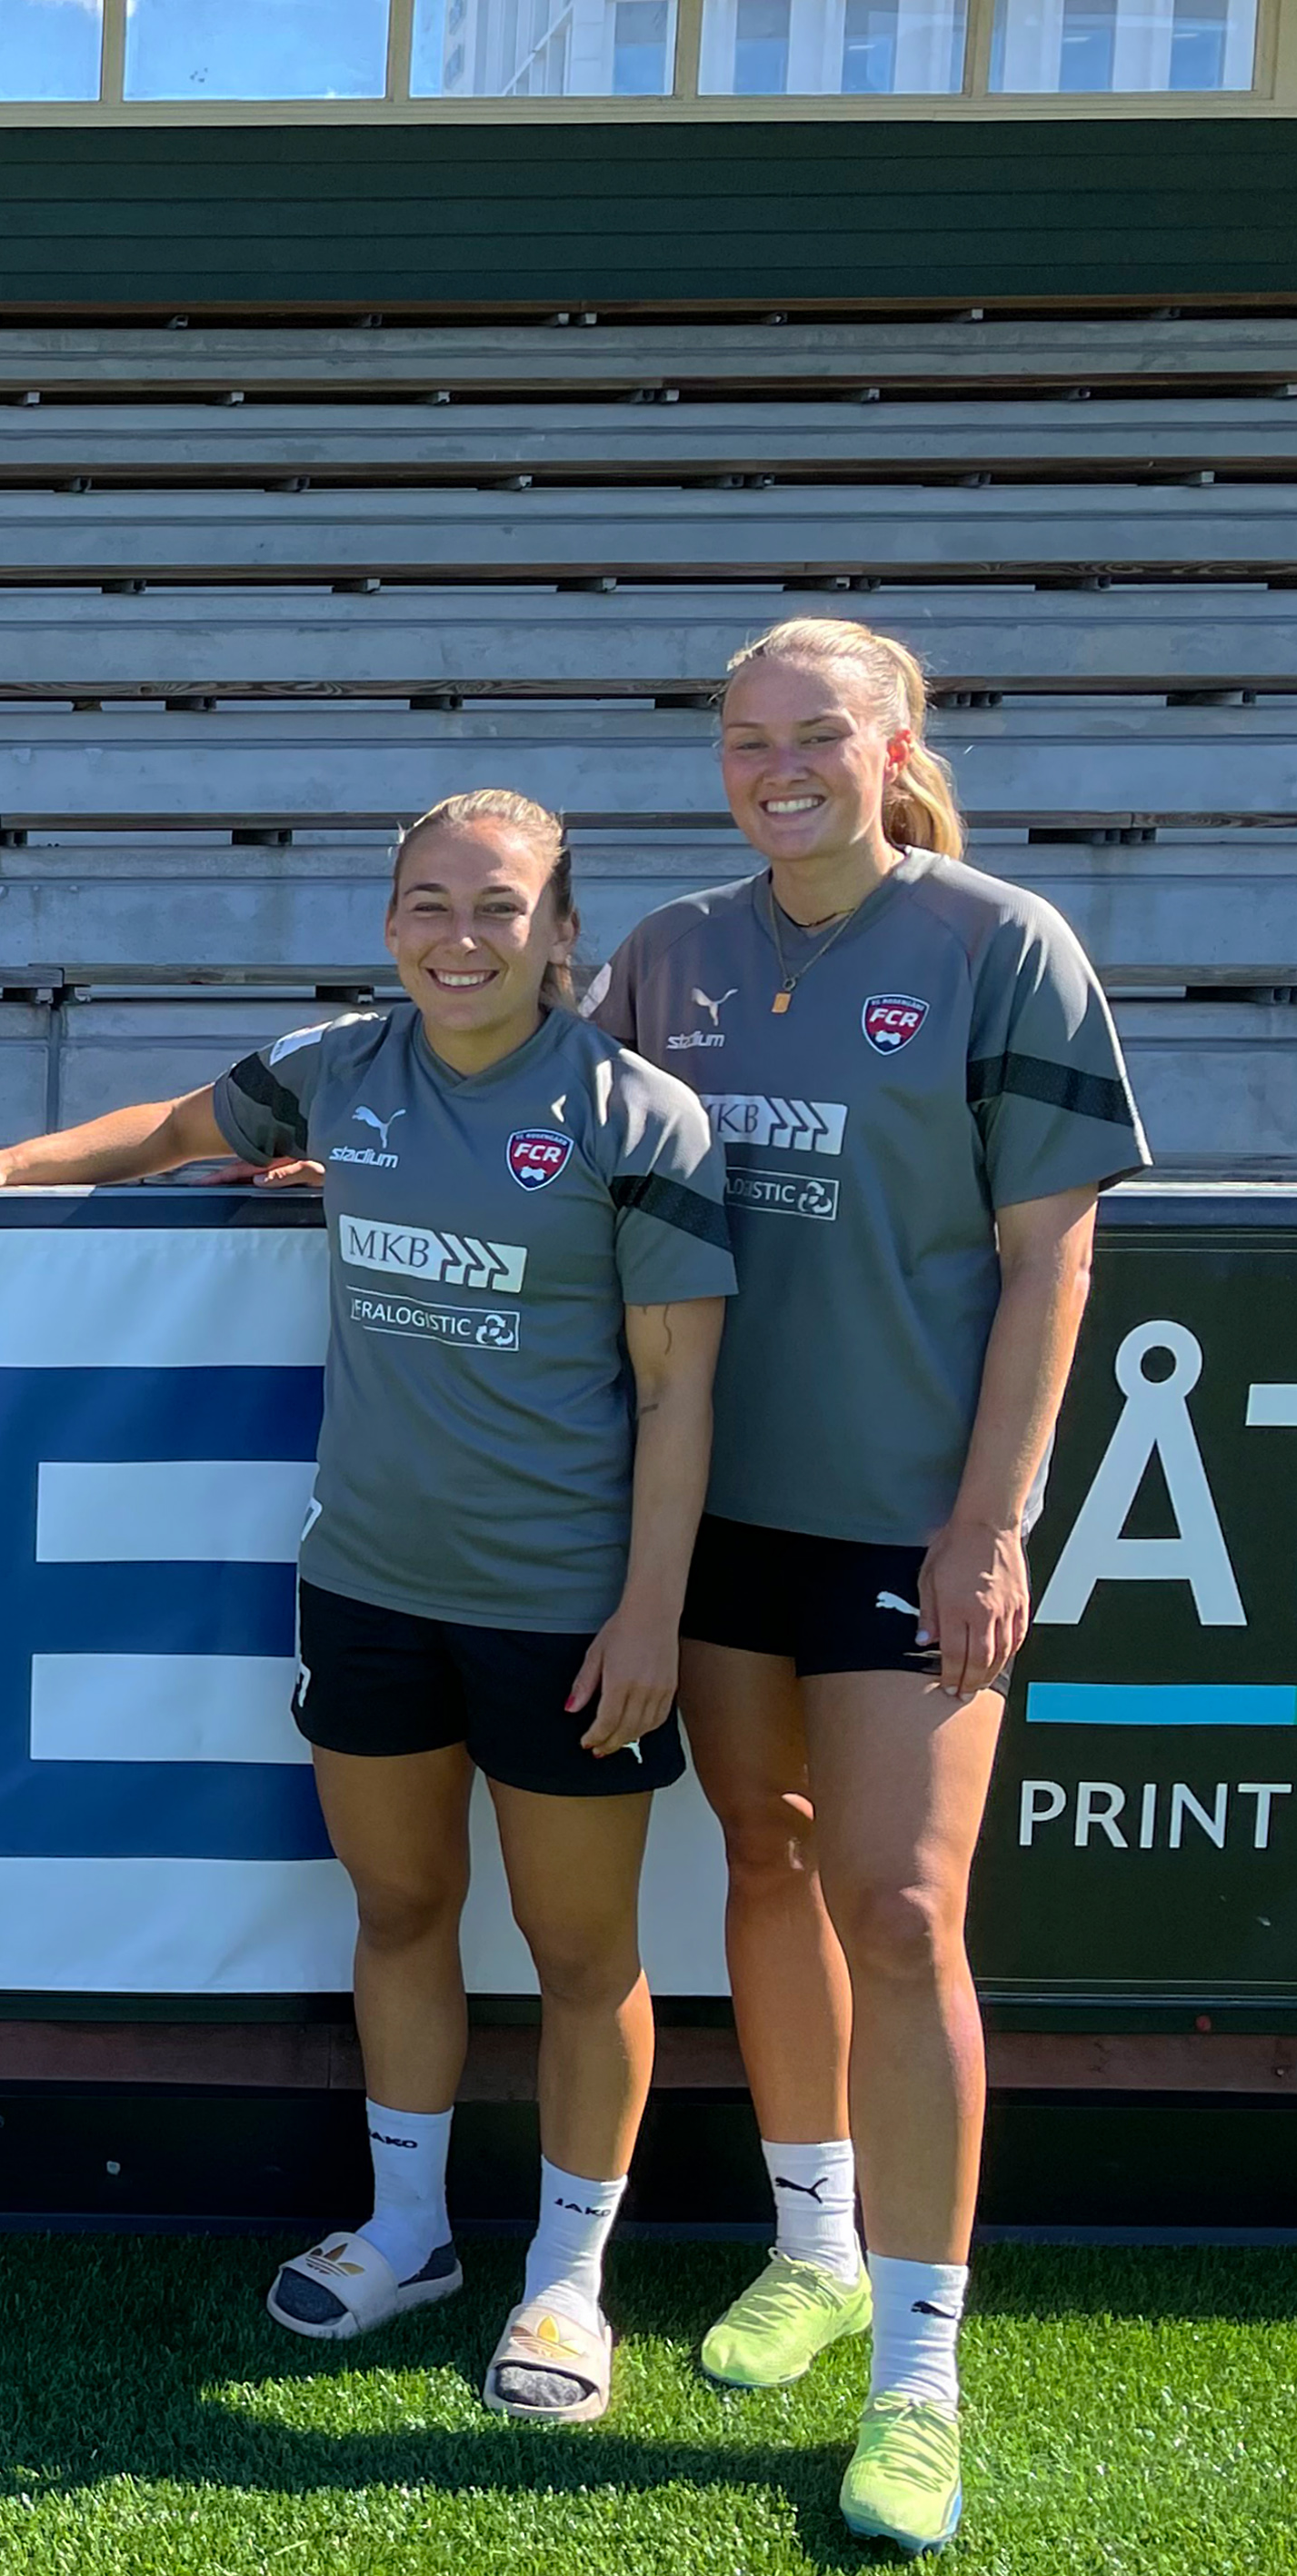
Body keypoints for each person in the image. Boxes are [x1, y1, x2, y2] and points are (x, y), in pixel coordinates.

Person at [0, 790, 733, 2426]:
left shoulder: (635, 1118)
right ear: (390, 923)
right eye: (426, 905)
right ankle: (407, 2233)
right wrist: (11, 1160)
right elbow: (180, 1125)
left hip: (564, 1610)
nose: (459, 937)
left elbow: (680, 1396)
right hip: (368, 1588)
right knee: (400, 1914)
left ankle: (566, 2279)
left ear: (563, 936)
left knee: (576, 1953)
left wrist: (649, 1617)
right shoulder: (345, 1066)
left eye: (498, 908)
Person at [585, 617, 1143, 2554]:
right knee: (760, 1851)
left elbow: (1045, 1264)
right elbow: (541, 1146)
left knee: (899, 1907)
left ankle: (919, 2370)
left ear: (891, 740)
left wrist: (986, 1524)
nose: (773, 766)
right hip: (713, 1510)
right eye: (741, 737)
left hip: (908, 1522)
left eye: (811, 733)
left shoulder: (997, 943)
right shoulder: (664, 955)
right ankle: (808, 2243)